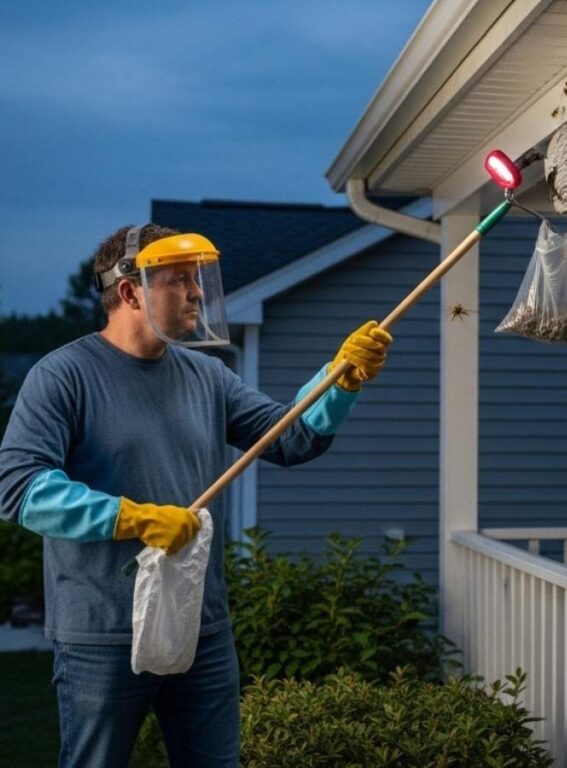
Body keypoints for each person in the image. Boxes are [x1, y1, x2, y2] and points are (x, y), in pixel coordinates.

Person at [0, 224, 392, 766]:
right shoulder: (62, 376)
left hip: (201, 629)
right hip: (102, 634)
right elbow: (20, 488)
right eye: (180, 280)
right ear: (131, 291)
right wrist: (129, 517)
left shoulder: (206, 375)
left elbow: (292, 438)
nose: (199, 292)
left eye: (198, 278)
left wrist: (340, 380)